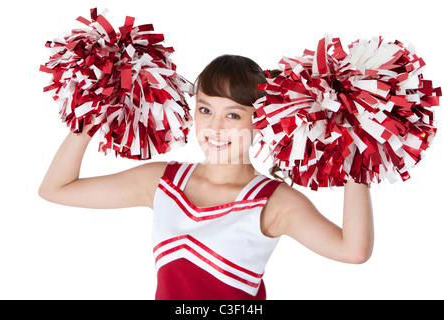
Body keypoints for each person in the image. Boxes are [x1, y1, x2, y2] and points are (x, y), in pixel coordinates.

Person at [39, 54, 374, 300]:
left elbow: (353, 251)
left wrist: (355, 150)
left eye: (232, 114)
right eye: (205, 109)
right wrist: (94, 111)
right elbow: (56, 189)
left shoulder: (273, 201)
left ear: (259, 121)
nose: (214, 127)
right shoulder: (162, 181)